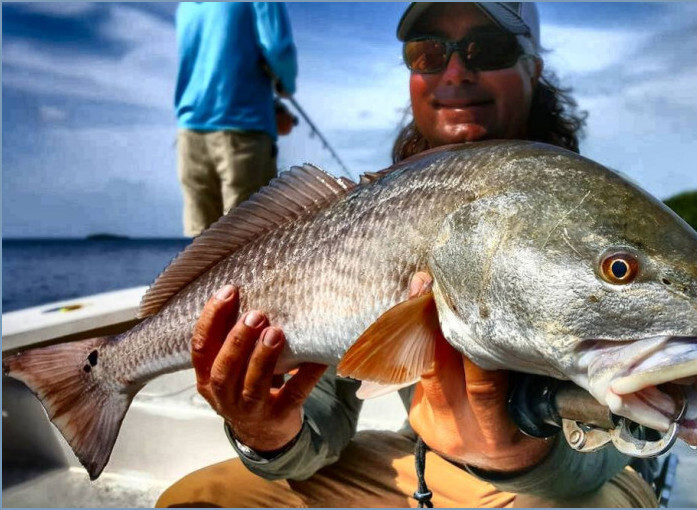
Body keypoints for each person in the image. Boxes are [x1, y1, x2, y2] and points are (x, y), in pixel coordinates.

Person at [157, 3, 659, 507]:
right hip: (423, 467)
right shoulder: (374, 216)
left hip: (578, 486)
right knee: (194, 500)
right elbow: (321, 422)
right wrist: (271, 434)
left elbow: (646, 431)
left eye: (489, 48)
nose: (456, 72)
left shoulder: (603, 220)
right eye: (428, 53)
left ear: (534, 68)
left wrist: (524, 456)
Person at [175, 2, 297, 237]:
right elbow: (279, 49)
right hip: (244, 132)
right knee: (249, 240)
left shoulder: (186, 7)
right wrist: (285, 85)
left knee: (200, 247)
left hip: (189, 134)